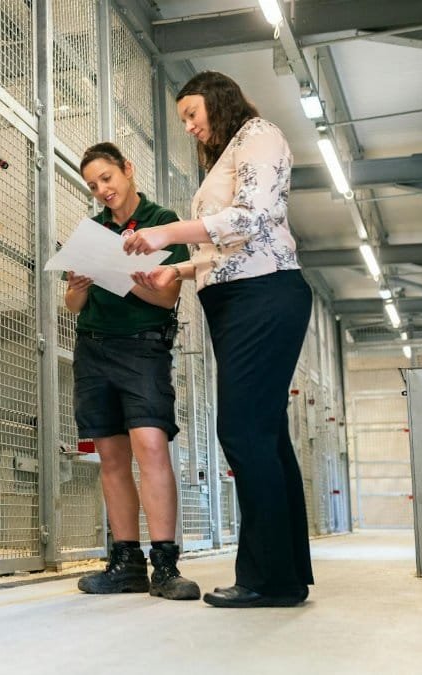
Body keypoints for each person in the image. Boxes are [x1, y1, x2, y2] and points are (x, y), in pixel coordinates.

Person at [124, 71, 314, 608]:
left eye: (191, 113)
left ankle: (267, 578)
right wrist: (178, 273)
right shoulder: (230, 151)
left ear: (218, 99)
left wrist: (166, 233)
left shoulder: (260, 135)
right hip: (237, 300)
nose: (188, 126)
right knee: (266, 435)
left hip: (265, 295)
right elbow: (222, 247)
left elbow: (254, 216)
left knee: (243, 432)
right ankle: (286, 574)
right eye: (182, 119)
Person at [66, 142, 199, 601]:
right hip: (93, 348)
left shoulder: (163, 223)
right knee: (111, 456)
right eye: (93, 185)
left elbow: (166, 299)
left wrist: (126, 281)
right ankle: (126, 562)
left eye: (107, 178)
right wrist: (79, 285)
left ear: (128, 170)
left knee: (150, 447)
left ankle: (165, 565)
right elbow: (72, 306)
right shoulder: (93, 231)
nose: (102, 190)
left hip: (143, 350)